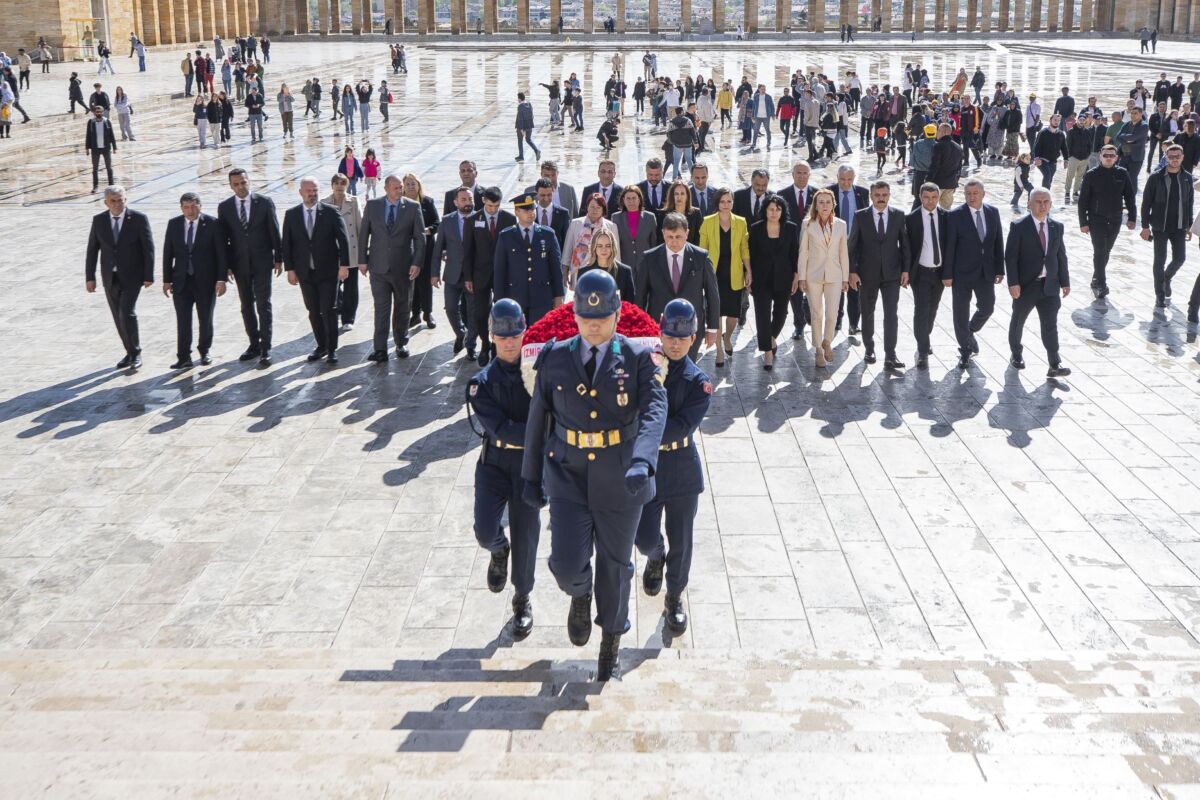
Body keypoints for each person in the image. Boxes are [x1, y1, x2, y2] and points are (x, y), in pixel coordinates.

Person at [521, 269, 668, 682]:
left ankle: (611, 640)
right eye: (586, 318)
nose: (594, 326)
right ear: (575, 316)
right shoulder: (555, 357)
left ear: (617, 314)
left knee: (616, 565)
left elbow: (655, 409)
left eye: (602, 317)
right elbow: (538, 419)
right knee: (566, 563)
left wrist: (643, 460)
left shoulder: (637, 359)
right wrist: (530, 476)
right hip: (567, 472)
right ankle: (580, 593)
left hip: (622, 475)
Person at [635, 298, 711, 634]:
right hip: (650, 467)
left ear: (693, 338)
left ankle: (675, 597)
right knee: (643, 536)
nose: (675, 343)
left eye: (682, 338)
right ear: (660, 334)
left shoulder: (699, 383)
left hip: (681, 468)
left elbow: (681, 426)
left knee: (682, 541)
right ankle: (655, 556)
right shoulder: (645, 371)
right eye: (669, 336)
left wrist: (644, 431)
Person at [468, 299, 541, 639]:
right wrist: (538, 433)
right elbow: (499, 429)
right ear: (492, 336)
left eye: (515, 335)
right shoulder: (481, 383)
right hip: (495, 464)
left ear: (524, 334)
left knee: (526, 535)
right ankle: (498, 549)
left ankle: (522, 599)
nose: (509, 342)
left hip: (527, 467)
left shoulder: (538, 376)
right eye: (503, 336)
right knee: (485, 530)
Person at [281, 176, 351, 364]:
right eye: (309, 191)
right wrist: (290, 269)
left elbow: (343, 240)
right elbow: (286, 244)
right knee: (313, 310)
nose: (312, 194)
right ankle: (321, 346)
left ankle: (332, 349)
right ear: (301, 192)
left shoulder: (331, 212)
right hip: (305, 272)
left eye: (315, 191)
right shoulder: (292, 215)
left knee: (329, 310)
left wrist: (344, 265)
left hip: (329, 271)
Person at [85, 185, 154, 370]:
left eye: (120, 200)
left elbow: (148, 249)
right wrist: (90, 277)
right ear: (106, 202)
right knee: (118, 316)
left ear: (126, 200)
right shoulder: (99, 220)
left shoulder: (138, 219)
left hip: (132, 276)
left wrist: (148, 275)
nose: (117, 204)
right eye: (113, 201)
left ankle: (136, 353)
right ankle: (129, 352)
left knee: (126, 312)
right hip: (110, 276)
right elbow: (92, 250)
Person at [218, 168, 282, 366]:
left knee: (263, 304)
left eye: (243, 182)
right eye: (236, 184)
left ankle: (266, 347)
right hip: (239, 264)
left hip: (262, 261)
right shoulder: (225, 207)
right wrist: (226, 266)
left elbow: (274, 231)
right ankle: (254, 343)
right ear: (231, 186)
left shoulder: (264, 202)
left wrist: (279, 259)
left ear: (249, 181)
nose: (240, 187)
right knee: (246, 305)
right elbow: (223, 240)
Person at [359, 174, 426, 361]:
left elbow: (420, 238)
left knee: (403, 306)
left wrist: (417, 263)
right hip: (378, 267)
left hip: (404, 268)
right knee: (381, 308)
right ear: (386, 189)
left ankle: (401, 342)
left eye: (400, 188)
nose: (399, 191)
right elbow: (364, 234)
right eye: (396, 188)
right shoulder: (373, 206)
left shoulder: (412, 207)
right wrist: (362, 260)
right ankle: (380, 349)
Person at [1006, 188, 1072, 377]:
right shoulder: (1019, 226)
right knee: (1018, 321)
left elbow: (1061, 256)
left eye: (1046, 202)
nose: (1042, 206)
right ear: (1029, 204)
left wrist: (1065, 281)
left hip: (1050, 285)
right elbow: (1010, 257)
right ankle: (1016, 354)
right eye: (1038, 202)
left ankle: (1055, 363)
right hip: (1026, 285)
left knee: (1050, 325)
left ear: (1050, 204)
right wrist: (1013, 283)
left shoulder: (1057, 227)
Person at [637, 213, 720, 360]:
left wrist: (712, 328)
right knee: (661, 370)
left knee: (687, 369)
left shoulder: (700, 257)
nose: (674, 241)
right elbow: (640, 296)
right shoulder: (650, 258)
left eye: (678, 237)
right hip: (660, 329)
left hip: (691, 329)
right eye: (670, 237)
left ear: (687, 233)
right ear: (663, 234)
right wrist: (640, 328)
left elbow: (712, 294)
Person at [847, 180, 910, 370]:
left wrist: (905, 270)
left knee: (891, 315)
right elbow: (852, 246)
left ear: (889, 195)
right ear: (871, 196)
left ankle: (890, 354)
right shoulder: (860, 216)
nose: (881, 198)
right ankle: (869, 349)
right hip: (867, 274)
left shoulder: (898, 215)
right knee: (867, 313)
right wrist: (852, 271)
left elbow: (905, 245)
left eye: (884, 195)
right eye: (877, 195)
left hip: (892, 274)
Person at [944, 178, 1005, 370]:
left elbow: (998, 241)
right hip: (961, 273)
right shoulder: (955, 215)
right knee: (960, 313)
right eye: (968, 194)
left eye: (975, 193)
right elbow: (950, 247)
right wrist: (947, 274)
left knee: (987, 307)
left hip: (985, 272)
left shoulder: (993, 212)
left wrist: (999, 269)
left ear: (983, 194)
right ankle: (965, 349)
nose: (972, 197)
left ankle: (969, 331)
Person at [162, 192, 228, 369]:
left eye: (193, 207)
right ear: (181, 208)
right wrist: (167, 280)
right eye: (186, 207)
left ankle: (204, 350)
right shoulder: (174, 224)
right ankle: (183, 356)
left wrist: (221, 279)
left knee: (205, 317)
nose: (190, 211)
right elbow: (168, 253)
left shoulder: (213, 223)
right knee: (183, 320)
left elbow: (221, 254)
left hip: (205, 280)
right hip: (181, 280)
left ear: (200, 206)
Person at [493, 192, 565, 325]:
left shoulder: (548, 234)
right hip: (515, 297)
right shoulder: (506, 236)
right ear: (517, 212)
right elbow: (499, 270)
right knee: (517, 332)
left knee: (539, 333)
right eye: (526, 210)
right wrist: (498, 299)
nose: (531, 213)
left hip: (541, 296)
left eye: (532, 209)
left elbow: (556, 267)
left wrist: (559, 295)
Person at [464, 186, 516, 366]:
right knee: (480, 313)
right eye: (490, 206)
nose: (493, 209)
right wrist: (468, 277)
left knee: (502, 312)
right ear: (483, 201)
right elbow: (468, 250)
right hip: (480, 274)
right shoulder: (473, 220)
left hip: (503, 274)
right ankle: (485, 344)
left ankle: (496, 346)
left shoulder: (509, 219)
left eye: (496, 206)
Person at [798, 188, 850, 369]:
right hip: (813, 275)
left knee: (832, 313)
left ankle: (827, 340)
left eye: (828, 202)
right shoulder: (807, 224)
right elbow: (803, 252)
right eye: (821, 202)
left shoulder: (841, 224)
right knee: (816, 313)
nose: (824, 205)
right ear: (816, 205)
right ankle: (818, 349)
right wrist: (801, 277)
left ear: (833, 204)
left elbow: (843, 252)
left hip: (835, 275)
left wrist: (845, 278)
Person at [699, 188, 750, 367]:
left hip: (734, 273)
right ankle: (719, 351)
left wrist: (749, 271)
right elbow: (702, 249)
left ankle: (727, 337)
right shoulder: (707, 222)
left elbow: (744, 248)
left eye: (729, 201)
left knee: (733, 316)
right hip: (714, 273)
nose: (726, 205)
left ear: (733, 202)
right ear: (717, 203)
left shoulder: (741, 222)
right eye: (722, 201)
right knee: (717, 313)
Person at [1078, 144, 1137, 299]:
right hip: (1096, 219)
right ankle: (1101, 284)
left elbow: (1130, 197)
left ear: (1116, 158)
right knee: (1099, 251)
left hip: (1115, 219)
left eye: (1112, 155)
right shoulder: (1091, 175)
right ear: (1100, 156)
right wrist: (1083, 222)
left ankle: (1096, 278)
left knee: (1107, 251)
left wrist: (1132, 217)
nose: (1109, 158)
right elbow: (1083, 200)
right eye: (1106, 155)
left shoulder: (1122, 173)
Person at [1140, 144, 1195, 309]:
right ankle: (1160, 295)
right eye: (1171, 157)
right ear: (1166, 157)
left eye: (1177, 156)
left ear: (1182, 157)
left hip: (1179, 226)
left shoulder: (1187, 178)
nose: (1174, 159)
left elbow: (1189, 203)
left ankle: (1166, 278)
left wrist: (1189, 225)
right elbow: (1146, 203)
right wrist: (1145, 226)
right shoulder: (1155, 178)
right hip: (1160, 226)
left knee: (1180, 258)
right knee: (1160, 260)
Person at [748, 195, 798, 370]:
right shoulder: (756, 228)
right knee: (762, 315)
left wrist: (796, 276)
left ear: (782, 211)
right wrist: (748, 276)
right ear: (765, 210)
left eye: (778, 209)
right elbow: (751, 254)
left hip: (784, 278)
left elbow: (794, 254)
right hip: (761, 279)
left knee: (782, 313)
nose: (774, 212)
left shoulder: (791, 228)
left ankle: (770, 339)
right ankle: (767, 353)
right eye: (771, 209)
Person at [431, 186, 479, 361]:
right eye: (464, 200)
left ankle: (471, 346)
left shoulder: (481, 218)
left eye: (470, 199)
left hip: (474, 276)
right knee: (451, 308)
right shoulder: (447, 221)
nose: (468, 203)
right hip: (453, 274)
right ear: (456, 202)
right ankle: (461, 333)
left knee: (473, 312)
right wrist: (434, 273)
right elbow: (438, 249)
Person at [905, 182, 950, 369]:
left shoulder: (947, 217)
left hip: (939, 273)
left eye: (934, 197)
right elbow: (906, 248)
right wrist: (905, 272)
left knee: (933, 309)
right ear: (920, 197)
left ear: (939, 197)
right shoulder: (911, 219)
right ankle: (922, 350)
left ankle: (925, 337)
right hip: (921, 272)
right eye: (926, 197)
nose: (930, 201)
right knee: (921, 310)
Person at [830, 165, 868, 333]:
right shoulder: (828, 192)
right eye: (842, 179)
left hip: (856, 245)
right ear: (837, 177)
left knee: (855, 285)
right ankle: (837, 320)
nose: (846, 183)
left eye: (849, 179)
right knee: (837, 285)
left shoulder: (862, 193)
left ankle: (854, 323)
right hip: (834, 245)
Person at [324, 173, 363, 332]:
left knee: (351, 287)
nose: (339, 186)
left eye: (342, 183)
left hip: (351, 250)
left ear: (347, 185)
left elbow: (360, 226)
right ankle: (340, 307)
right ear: (332, 185)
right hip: (331, 252)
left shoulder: (353, 201)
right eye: (337, 183)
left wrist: (363, 252)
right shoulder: (324, 202)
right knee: (332, 285)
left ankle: (348, 318)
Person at [562, 193, 621, 289]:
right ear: (587, 207)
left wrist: (616, 276)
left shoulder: (611, 226)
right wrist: (565, 273)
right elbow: (567, 251)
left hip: (603, 272)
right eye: (592, 206)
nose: (595, 210)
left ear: (603, 209)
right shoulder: (575, 223)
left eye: (598, 207)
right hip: (578, 272)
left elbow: (616, 254)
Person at [613, 185, 659, 278]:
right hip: (624, 266)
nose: (631, 201)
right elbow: (615, 244)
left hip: (645, 266)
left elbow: (653, 243)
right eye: (628, 198)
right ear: (623, 200)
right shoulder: (616, 218)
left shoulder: (650, 217)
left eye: (634, 198)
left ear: (639, 199)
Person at [578, 229, 635, 302]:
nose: (604, 249)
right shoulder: (583, 273)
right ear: (594, 248)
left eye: (608, 246)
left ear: (613, 247)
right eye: (599, 246)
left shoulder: (625, 272)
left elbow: (630, 304)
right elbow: (579, 303)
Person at [531, 178, 570, 248]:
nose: (546, 198)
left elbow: (567, 241)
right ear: (536, 193)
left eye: (549, 195)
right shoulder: (530, 213)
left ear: (553, 192)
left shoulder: (563, 214)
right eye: (543, 195)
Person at [85, 105, 117, 192]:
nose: (98, 113)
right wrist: (87, 148)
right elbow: (88, 135)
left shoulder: (107, 121)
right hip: (95, 149)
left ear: (103, 112)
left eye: (100, 112)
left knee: (109, 167)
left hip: (106, 148)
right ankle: (95, 186)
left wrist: (114, 147)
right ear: (94, 113)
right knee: (95, 168)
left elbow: (111, 134)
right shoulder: (91, 122)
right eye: (97, 112)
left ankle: (111, 185)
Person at [1032, 114, 1069, 189]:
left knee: (1049, 179)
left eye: (1058, 120)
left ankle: (1045, 193)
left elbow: (1064, 148)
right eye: (1055, 120)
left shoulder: (1061, 134)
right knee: (1047, 175)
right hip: (1042, 160)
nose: (1056, 122)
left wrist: (1066, 159)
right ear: (1050, 120)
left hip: (1053, 161)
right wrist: (1036, 158)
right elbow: (1036, 146)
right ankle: (1044, 193)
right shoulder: (1043, 132)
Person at [515, 92, 540, 162]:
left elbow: (520, 118)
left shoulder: (520, 106)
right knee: (528, 139)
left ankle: (521, 156)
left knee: (520, 140)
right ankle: (536, 150)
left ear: (519, 99)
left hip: (521, 126)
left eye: (518, 98)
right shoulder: (529, 104)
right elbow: (532, 116)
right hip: (529, 125)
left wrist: (521, 129)